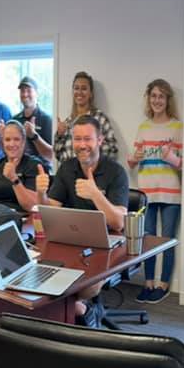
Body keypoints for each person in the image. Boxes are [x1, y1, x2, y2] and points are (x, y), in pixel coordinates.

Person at [43, 117, 130, 325]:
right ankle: (79, 309)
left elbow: (119, 222)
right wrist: (40, 194)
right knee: (44, 272)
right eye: (77, 139)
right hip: (72, 240)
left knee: (85, 284)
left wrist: (95, 195)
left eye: (88, 139)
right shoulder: (67, 168)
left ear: (100, 140)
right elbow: (50, 210)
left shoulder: (116, 172)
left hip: (107, 244)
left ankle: (75, 309)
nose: (82, 145)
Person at [129, 79, 184, 304]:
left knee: (167, 239)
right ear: (148, 99)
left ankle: (164, 284)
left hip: (171, 192)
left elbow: (183, 163)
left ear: (167, 100)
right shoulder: (143, 127)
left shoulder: (177, 127)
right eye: (153, 96)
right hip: (147, 192)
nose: (157, 100)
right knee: (148, 239)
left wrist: (171, 158)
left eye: (161, 96)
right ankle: (148, 282)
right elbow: (133, 161)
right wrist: (133, 158)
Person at [51, 71, 120, 167]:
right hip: (70, 176)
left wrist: (92, 160)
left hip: (93, 176)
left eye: (84, 88)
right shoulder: (67, 122)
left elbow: (113, 150)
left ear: (91, 93)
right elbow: (58, 154)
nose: (79, 92)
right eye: (76, 88)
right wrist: (60, 135)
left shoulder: (100, 118)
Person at [0, 120, 47, 211]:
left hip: (24, 218)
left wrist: (14, 179)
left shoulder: (34, 165)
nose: (12, 144)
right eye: (7, 140)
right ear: (2, 143)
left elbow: (32, 206)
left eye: (16, 139)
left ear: (23, 142)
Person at [14, 76, 55, 159]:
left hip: (40, 169)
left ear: (36, 93)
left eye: (29, 91)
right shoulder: (15, 120)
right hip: (19, 168)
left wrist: (34, 136)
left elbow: (51, 155)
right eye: (22, 91)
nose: (25, 94)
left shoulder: (46, 119)